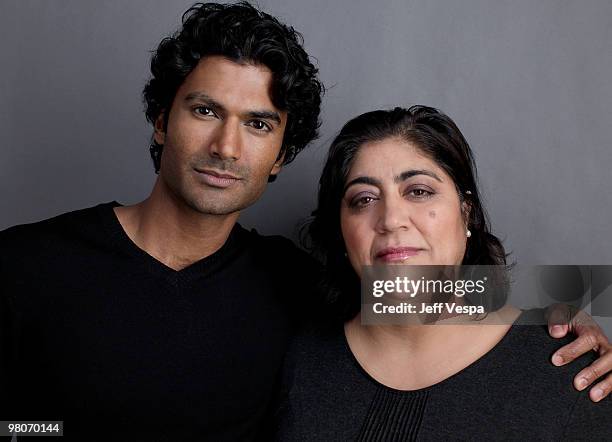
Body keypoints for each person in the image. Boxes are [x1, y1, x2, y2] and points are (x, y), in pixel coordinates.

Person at [0, 2, 609, 441]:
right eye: (205, 110)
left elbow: (414, 286)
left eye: (259, 124)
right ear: (162, 120)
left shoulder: (290, 283)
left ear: (281, 156)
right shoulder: (27, 264)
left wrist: (565, 307)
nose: (227, 147)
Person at [273, 106, 612, 440]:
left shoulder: (568, 365)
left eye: (419, 191)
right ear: (341, 231)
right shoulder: (298, 356)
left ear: (466, 212)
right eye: (364, 199)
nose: (391, 219)